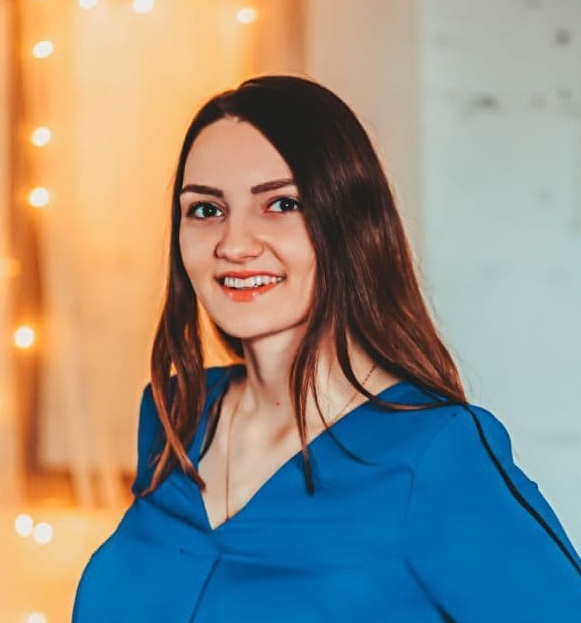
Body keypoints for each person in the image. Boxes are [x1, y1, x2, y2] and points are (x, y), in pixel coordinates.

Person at [73, 75, 581, 622]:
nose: (234, 244)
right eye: (206, 210)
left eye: (281, 203)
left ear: (350, 224)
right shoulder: (174, 413)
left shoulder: (435, 452)